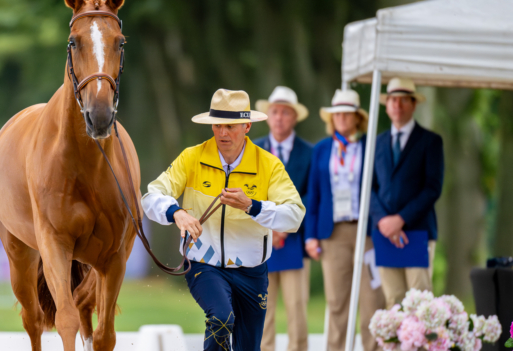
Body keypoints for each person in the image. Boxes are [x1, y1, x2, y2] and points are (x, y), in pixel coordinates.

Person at [142, 89, 305, 351]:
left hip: (252, 272)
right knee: (220, 318)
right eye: (217, 125)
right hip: (204, 263)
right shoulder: (192, 157)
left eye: (230, 126)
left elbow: (295, 215)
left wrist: (252, 206)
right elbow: (151, 197)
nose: (223, 133)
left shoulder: (269, 165)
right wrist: (177, 213)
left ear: (247, 126)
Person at [304, 89, 385, 351]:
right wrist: (310, 235)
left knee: (372, 299)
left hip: (367, 233)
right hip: (332, 234)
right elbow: (313, 195)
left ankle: (373, 348)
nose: (341, 117)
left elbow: (378, 187)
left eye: (346, 113)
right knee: (337, 302)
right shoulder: (321, 149)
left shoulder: (369, 146)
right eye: (336, 113)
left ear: (356, 118)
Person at [370, 78, 444, 306]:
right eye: (393, 100)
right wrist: (383, 220)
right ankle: (396, 344)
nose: (397, 105)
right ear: (386, 104)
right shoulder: (376, 142)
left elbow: (432, 188)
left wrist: (400, 220)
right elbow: (369, 188)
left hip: (418, 231)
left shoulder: (430, 141)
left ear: (413, 104)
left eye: (403, 100)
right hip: (384, 233)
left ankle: (420, 344)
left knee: (420, 301)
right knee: (393, 299)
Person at [253, 86, 313, 351]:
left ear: (294, 117)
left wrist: (286, 227)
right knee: (262, 309)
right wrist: (270, 226)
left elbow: (311, 195)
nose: (279, 118)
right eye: (275, 112)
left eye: (285, 113)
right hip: (260, 242)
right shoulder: (254, 150)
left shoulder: (309, 153)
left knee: (297, 308)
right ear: (268, 115)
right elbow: (248, 192)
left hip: (294, 242)